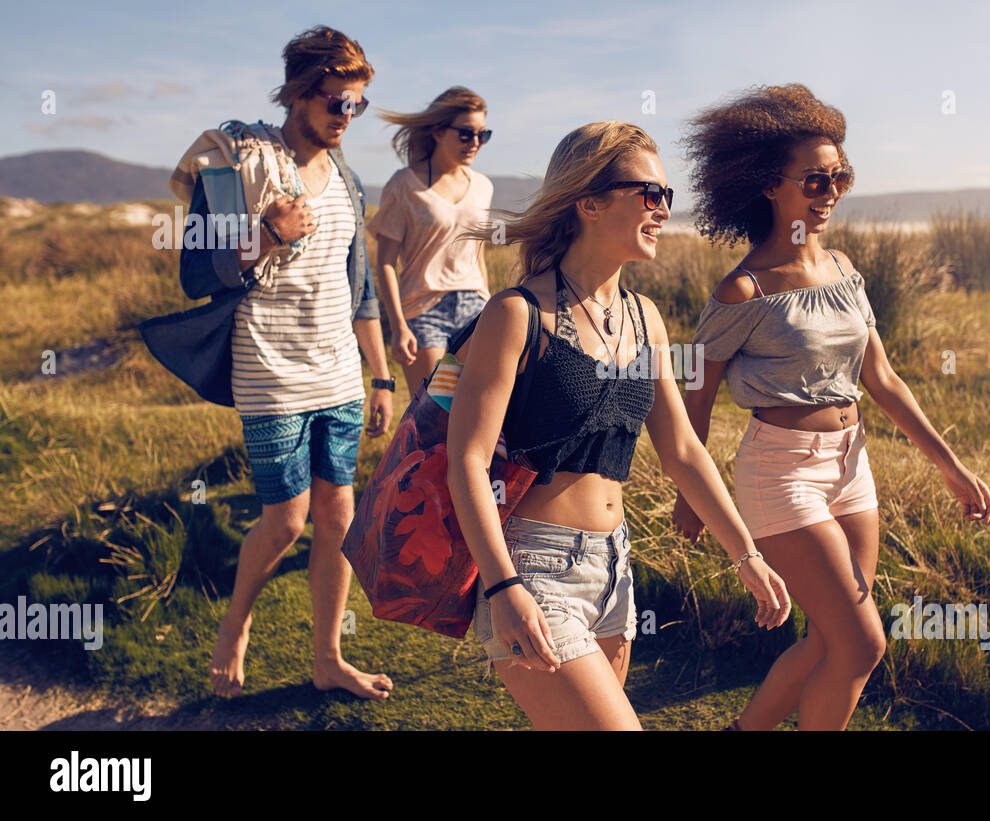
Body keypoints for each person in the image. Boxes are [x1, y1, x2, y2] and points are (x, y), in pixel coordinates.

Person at [446, 121, 791, 730]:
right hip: (533, 566)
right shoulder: (515, 314)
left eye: (667, 196)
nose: (662, 209)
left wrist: (746, 555)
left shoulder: (645, 317)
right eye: (649, 194)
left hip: (613, 569)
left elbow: (682, 450)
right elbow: (467, 461)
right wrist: (502, 588)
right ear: (590, 201)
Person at [673, 83, 990, 730]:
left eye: (840, 177)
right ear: (772, 185)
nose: (832, 192)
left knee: (829, 639)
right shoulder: (744, 290)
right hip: (780, 472)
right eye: (816, 181)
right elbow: (695, 397)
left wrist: (951, 467)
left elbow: (882, 379)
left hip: (852, 466)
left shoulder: (845, 269)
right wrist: (694, 494)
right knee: (863, 642)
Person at [144, 26, 396, 699]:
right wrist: (265, 234)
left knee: (338, 514)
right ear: (297, 93)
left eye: (357, 106)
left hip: (339, 370)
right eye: (335, 103)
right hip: (269, 371)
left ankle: (327, 656)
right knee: (286, 519)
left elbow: (361, 287)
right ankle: (235, 624)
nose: (346, 118)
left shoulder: (346, 178)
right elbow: (198, 272)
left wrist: (380, 376)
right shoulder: (237, 164)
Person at [369, 87, 495, 400]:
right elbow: (385, 261)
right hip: (424, 309)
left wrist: (489, 302)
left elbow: (477, 252)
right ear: (438, 131)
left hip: (475, 307)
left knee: (476, 408)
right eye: (466, 134)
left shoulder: (482, 186)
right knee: (432, 412)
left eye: (483, 135)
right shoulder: (404, 184)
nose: (475, 143)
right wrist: (398, 325)